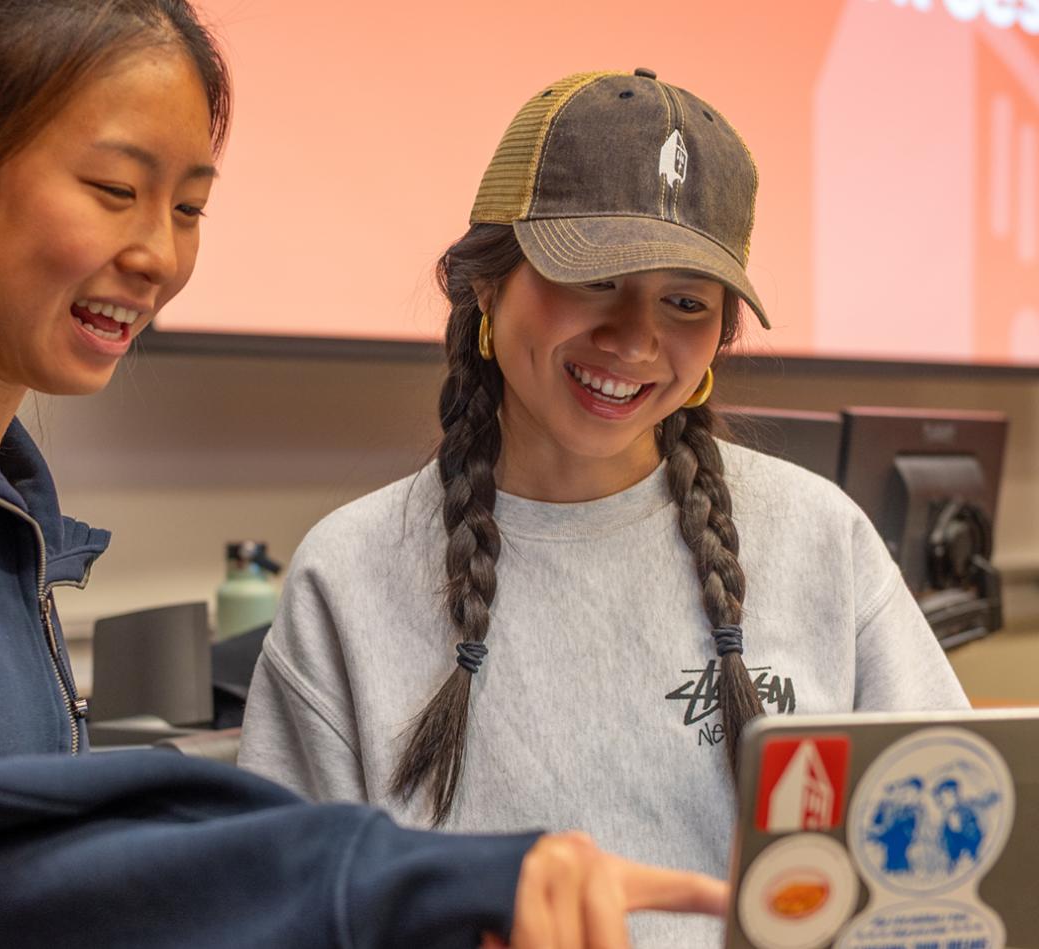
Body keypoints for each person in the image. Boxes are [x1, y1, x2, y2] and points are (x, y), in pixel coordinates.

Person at [0, 8, 724, 948]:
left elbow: (31, 879)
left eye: (190, 206)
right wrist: (388, 880)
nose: (159, 254)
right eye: (113, 192)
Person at [236, 69, 971, 946]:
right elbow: (281, 912)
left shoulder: (822, 538)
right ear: (484, 283)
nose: (632, 338)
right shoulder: (349, 572)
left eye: (686, 302)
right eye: (594, 280)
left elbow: (951, 876)